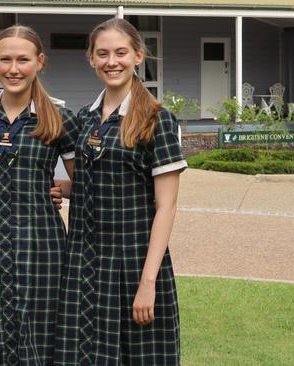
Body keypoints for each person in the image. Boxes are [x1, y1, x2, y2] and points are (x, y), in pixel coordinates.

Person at [54, 17, 187, 365]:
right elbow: (91, 183)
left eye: (121, 52)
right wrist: (57, 189)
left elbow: (167, 207)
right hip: (84, 263)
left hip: (133, 263)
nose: (112, 61)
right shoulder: (85, 117)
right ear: (91, 59)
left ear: (138, 55)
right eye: (103, 54)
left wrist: (148, 282)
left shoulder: (157, 118)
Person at [0, 25, 81, 365]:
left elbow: (86, 184)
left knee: (41, 338)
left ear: (39, 62)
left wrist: (61, 189)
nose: (14, 69)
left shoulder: (59, 117)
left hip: (41, 247)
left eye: (23, 60)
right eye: (6, 60)